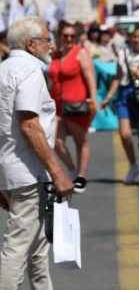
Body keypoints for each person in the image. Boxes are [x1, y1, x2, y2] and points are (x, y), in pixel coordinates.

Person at [0, 17, 74, 289]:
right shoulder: (29, 71)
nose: (52, 45)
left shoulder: (4, 69)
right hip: (28, 172)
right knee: (17, 248)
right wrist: (58, 173)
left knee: (37, 248)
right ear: (31, 44)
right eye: (47, 39)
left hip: (13, 170)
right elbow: (29, 125)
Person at [49, 21, 98, 193]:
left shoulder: (81, 53)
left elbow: (91, 78)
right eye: (65, 35)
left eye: (72, 36)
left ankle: (81, 176)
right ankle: (71, 169)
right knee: (56, 141)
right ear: (60, 36)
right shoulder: (56, 54)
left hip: (77, 104)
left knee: (81, 141)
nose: (69, 38)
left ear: (75, 37)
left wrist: (93, 100)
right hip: (58, 105)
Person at [102, 22, 139, 184]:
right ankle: (133, 165)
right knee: (125, 134)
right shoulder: (123, 52)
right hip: (125, 94)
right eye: (135, 36)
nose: (137, 40)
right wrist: (108, 97)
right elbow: (117, 76)